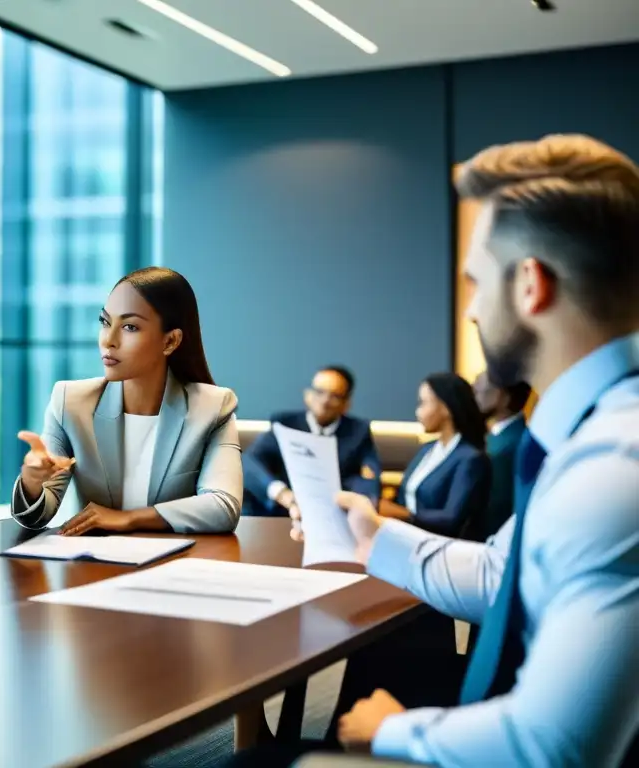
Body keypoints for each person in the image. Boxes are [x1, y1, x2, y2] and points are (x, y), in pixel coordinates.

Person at [236, 134, 639, 767]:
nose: (473, 308)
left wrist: (394, 730)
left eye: (477, 281)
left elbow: (549, 749)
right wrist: (371, 537)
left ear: (530, 286)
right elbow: (500, 576)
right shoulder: (590, 434)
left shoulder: (615, 466)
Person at [12, 266, 242, 535]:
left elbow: (223, 506)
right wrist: (31, 482)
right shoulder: (71, 403)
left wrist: (129, 518)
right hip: (94, 566)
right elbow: (39, 515)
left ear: (170, 341)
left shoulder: (213, 408)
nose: (109, 341)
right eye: (105, 322)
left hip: (177, 565)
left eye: (130, 327)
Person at [242, 366, 381, 517]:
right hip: (283, 512)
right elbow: (250, 462)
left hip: (334, 515)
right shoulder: (284, 424)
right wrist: (283, 494)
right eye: (319, 392)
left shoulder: (358, 432)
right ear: (307, 395)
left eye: (334, 396)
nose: (325, 401)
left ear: (346, 404)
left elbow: (368, 479)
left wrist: (354, 505)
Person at [377, 372, 491, 539]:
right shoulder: (428, 449)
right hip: (405, 538)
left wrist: (403, 514)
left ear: (445, 408)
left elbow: (452, 518)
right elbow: (405, 496)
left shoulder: (470, 459)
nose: (417, 412)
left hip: (439, 547)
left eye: (423, 403)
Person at [473, 371, 532, 539]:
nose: (474, 394)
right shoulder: (496, 438)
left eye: (479, 390)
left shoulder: (509, 446)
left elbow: (494, 510)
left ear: (503, 397)